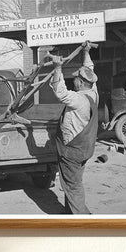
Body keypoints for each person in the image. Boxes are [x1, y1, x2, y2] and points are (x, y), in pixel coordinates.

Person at [49, 41, 99, 214]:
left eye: (76, 79)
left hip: (72, 152)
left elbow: (60, 92)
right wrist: (86, 52)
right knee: (71, 181)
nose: (74, 81)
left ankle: (83, 221)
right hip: (85, 149)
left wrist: (57, 68)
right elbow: (89, 68)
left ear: (81, 83)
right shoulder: (94, 93)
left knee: (73, 186)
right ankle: (69, 213)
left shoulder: (78, 99)